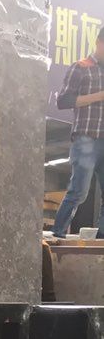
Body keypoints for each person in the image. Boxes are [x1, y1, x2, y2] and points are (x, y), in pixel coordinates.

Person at [50, 25, 104, 239]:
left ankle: (101, 240)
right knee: (79, 191)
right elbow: (63, 101)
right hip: (86, 138)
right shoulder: (81, 67)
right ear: (99, 42)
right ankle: (58, 233)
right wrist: (98, 96)